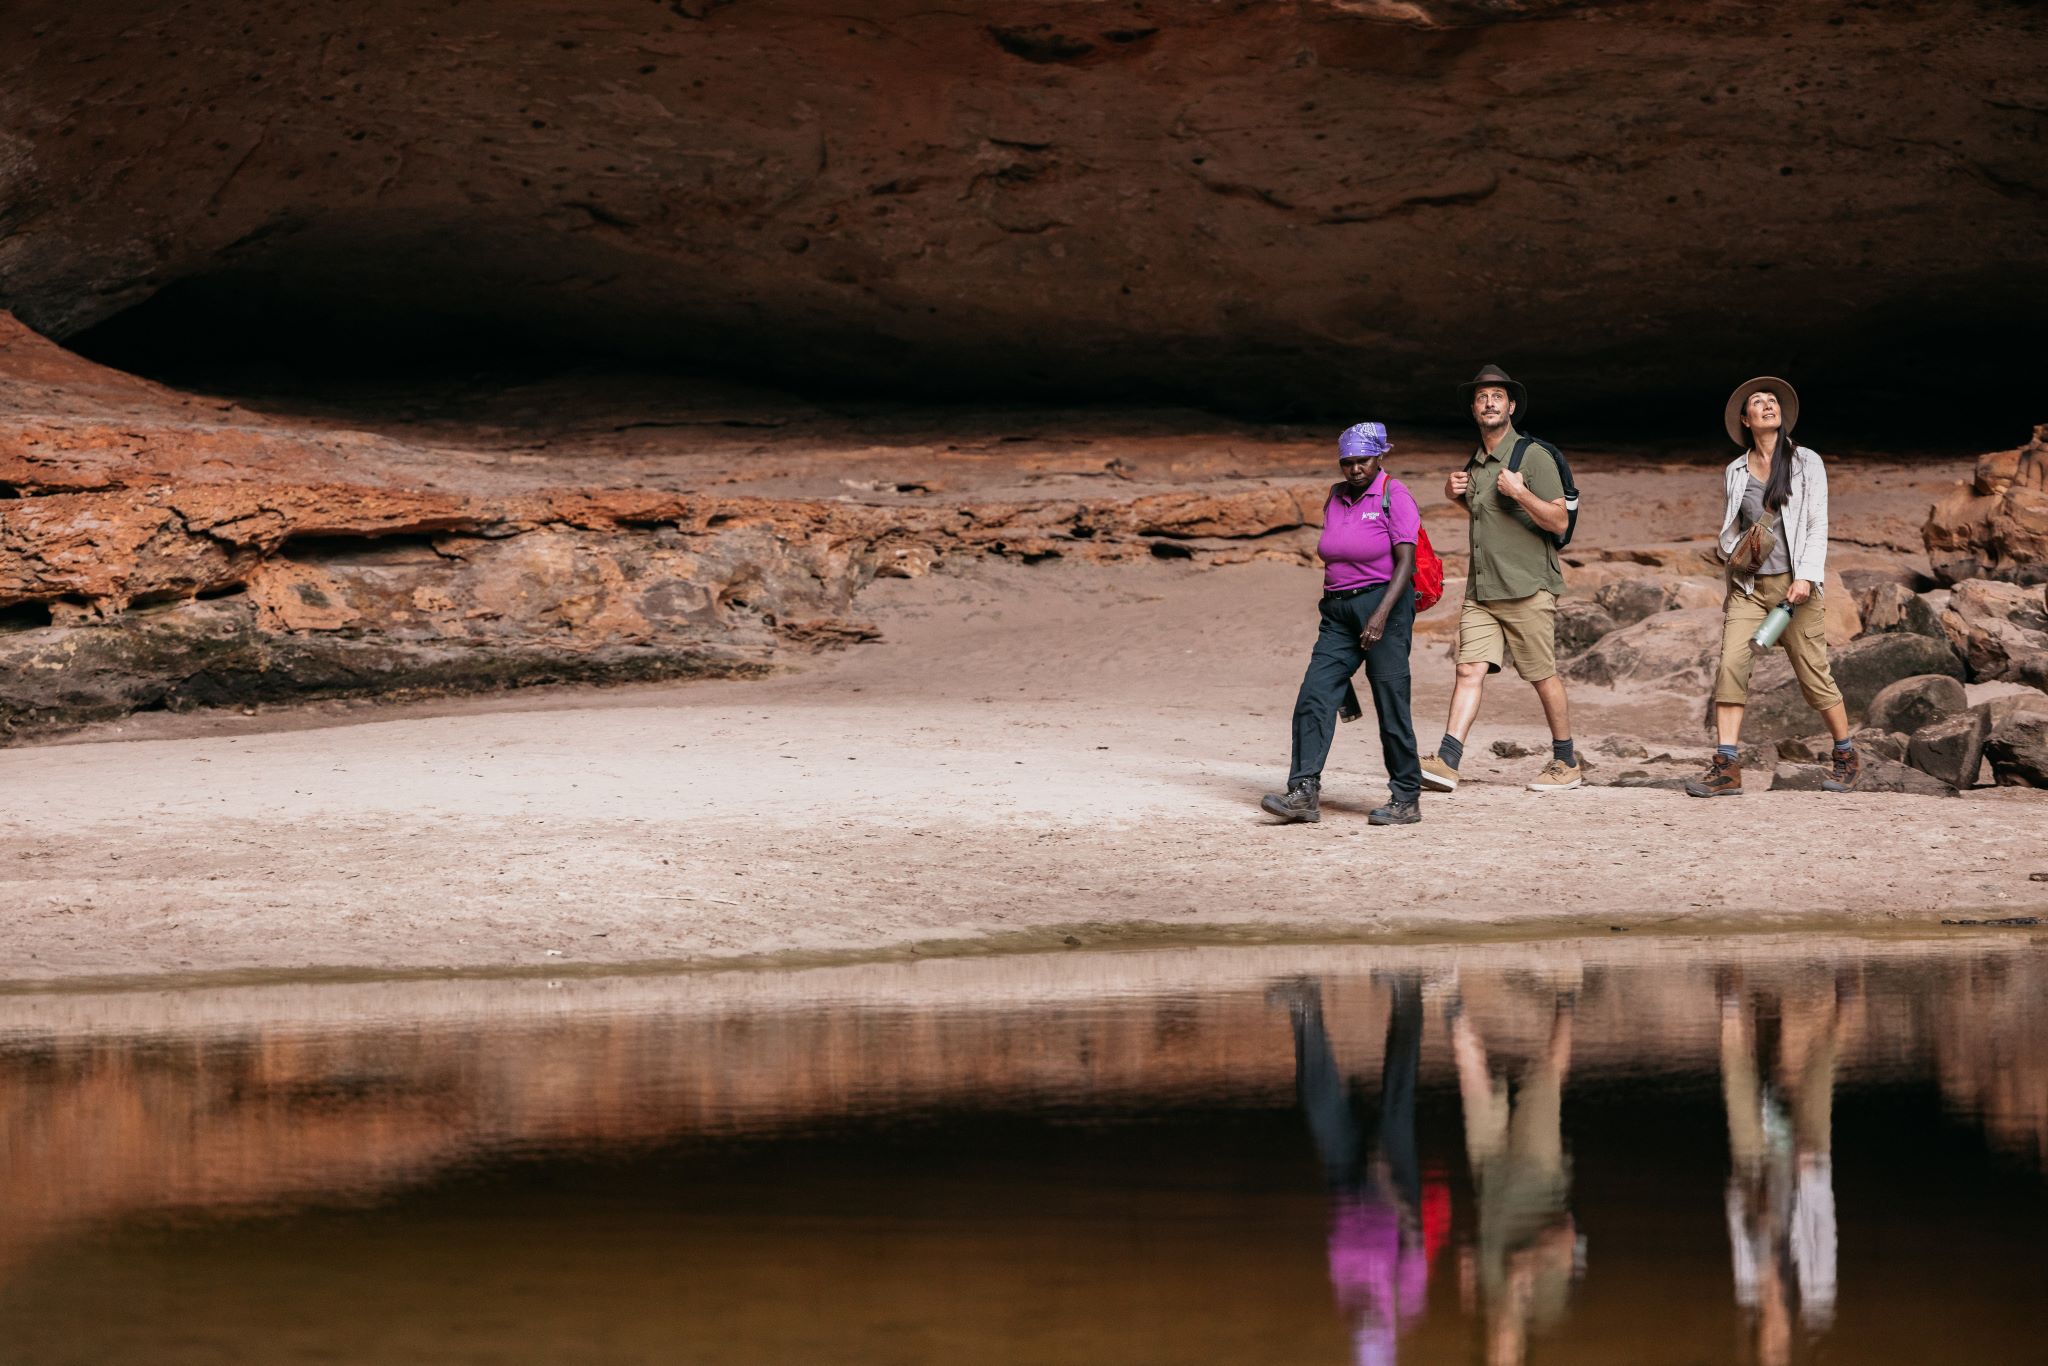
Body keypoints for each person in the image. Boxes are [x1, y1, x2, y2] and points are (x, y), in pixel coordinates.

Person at [1686, 377, 1859, 798]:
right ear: (1746, 420)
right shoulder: (1735, 471)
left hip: (1795, 588)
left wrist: (1806, 577)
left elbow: (1818, 523)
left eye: (1772, 401)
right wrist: (1730, 553)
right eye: (1757, 402)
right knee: (1731, 665)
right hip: (1749, 588)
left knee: (1813, 674)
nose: (1767, 405)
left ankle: (1846, 754)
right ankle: (1727, 765)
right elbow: (1734, 527)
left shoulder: (1806, 462)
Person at [1418, 366, 1582, 796]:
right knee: (1468, 669)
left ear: (1511, 407)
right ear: (1474, 410)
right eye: (1481, 397)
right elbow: (1486, 516)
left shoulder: (1532, 457)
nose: (1489, 402)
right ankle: (1448, 761)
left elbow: (1559, 520)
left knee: (1542, 675)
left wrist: (1521, 493)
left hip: (1527, 587)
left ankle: (1566, 761)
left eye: (1497, 396)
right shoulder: (1475, 463)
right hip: (1482, 590)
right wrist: (1457, 498)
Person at [1278, 975, 1448, 1366]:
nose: (1364, 1321)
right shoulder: (1405, 1297)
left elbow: (1338, 1237)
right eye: (1372, 1330)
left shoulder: (1346, 1300)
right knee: (1397, 1088)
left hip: (1345, 1181)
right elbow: (1413, 1229)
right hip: (1391, 1184)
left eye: (1360, 1332)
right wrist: (1385, 1176)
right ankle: (1408, 998)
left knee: (1319, 1103)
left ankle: (1305, 1009)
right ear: (1386, 1333)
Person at [1262, 422, 1423, 826]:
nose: (1354, 469)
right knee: (1315, 694)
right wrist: (1337, 607)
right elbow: (1336, 556)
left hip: (1383, 606)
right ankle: (1303, 792)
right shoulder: (1335, 497)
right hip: (1337, 611)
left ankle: (1406, 798)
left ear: (1379, 457)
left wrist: (1380, 615)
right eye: (1347, 462)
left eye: (1362, 461)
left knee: (1391, 701)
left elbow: (1407, 562)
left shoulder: (1394, 494)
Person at [1446, 980, 1581, 1366]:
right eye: (1506, 1355)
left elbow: (1478, 1242)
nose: (1499, 1343)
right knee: (1547, 1080)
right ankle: (1567, 1001)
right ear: (1521, 1352)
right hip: (1537, 1174)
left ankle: (1452, 1004)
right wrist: (1533, 1260)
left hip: (1490, 1177)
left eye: (1493, 1353)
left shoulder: (1484, 1300)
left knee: (1472, 1085)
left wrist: (1469, 1254)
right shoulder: (1546, 1306)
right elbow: (1568, 1234)